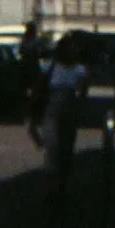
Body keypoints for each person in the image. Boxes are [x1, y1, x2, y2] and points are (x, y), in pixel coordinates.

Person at [37, 34, 88, 201]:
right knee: (52, 148)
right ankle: (50, 187)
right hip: (51, 112)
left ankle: (62, 186)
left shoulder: (80, 70)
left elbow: (83, 92)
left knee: (66, 150)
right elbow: (39, 90)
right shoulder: (50, 67)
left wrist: (80, 107)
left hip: (70, 113)